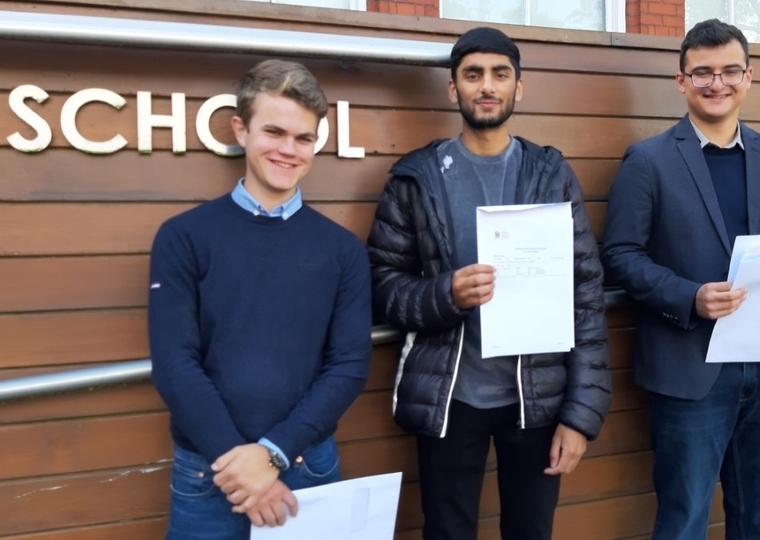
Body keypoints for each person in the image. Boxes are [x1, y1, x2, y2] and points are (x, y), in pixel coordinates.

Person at [367, 27, 611, 540]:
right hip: (451, 397)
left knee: (530, 531)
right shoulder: (417, 176)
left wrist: (580, 416)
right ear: (453, 89)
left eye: (500, 75)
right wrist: (445, 295)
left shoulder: (550, 173)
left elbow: (584, 295)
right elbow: (384, 287)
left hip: (537, 396)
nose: (487, 86)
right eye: (473, 74)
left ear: (518, 87)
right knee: (448, 531)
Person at [601, 19, 760, 540]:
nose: (715, 83)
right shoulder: (648, 161)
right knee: (683, 521)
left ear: (749, 77)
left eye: (729, 71)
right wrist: (690, 297)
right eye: (701, 72)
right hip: (690, 372)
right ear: (681, 81)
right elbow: (619, 255)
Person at [148, 59, 372, 539]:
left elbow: (349, 365)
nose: (289, 150)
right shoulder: (184, 237)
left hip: (305, 466)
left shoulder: (343, 250)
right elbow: (174, 363)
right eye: (274, 132)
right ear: (240, 130)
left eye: (304, 138)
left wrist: (271, 453)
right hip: (211, 473)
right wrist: (241, 467)